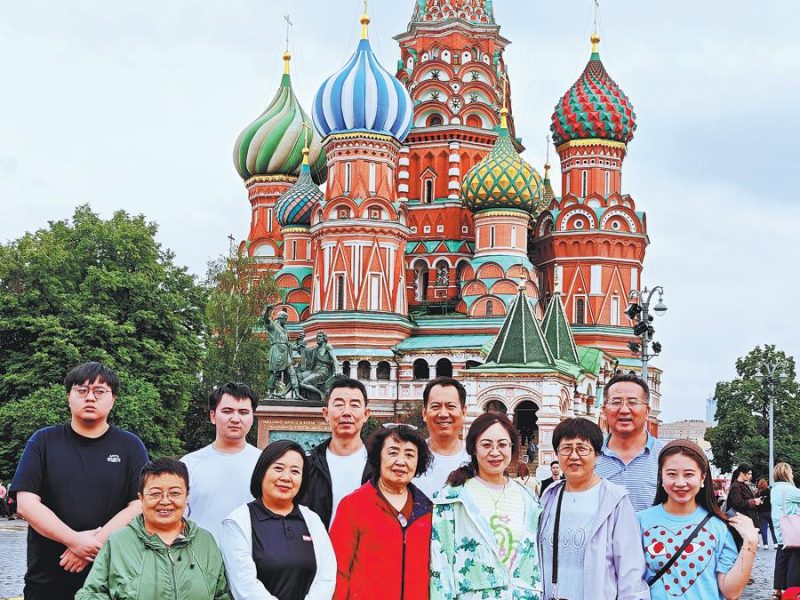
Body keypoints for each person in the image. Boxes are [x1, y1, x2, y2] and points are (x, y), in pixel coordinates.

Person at [10, 362, 149, 600]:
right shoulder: (43, 441)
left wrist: (91, 545)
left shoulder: (130, 446)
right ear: (69, 397)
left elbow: (140, 505)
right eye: (82, 390)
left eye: (99, 391)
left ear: (113, 399)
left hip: (112, 580)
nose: (90, 398)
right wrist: (73, 540)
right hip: (47, 580)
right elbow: (26, 504)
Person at [76, 458, 231, 599]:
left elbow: (221, 594)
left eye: (175, 493)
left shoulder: (206, 541)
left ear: (187, 496)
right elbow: (90, 594)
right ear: (141, 498)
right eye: (155, 494)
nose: (165, 501)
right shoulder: (119, 542)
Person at [430, 412, 543, 599]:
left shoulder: (529, 499)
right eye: (486, 445)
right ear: (474, 448)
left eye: (502, 445)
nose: (495, 452)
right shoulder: (452, 498)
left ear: (512, 447)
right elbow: (440, 564)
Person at [539, 418, 649, 600]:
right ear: (557, 454)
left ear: (597, 454)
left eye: (582, 448)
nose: (574, 456)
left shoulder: (615, 501)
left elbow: (631, 571)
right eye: (566, 448)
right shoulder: (549, 498)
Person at [638, 439, 759, 600]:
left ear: (702, 478)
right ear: (661, 476)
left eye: (689, 474)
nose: (680, 482)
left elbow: (731, 592)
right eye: (671, 474)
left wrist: (750, 544)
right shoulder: (639, 522)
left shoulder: (719, 527)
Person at [221, 440, 335, 600]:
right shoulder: (238, 521)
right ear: (262, 472)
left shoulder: (311, 519)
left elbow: (326, 576)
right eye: (278, 468)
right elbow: (245, 586)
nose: (286, 478)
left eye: (295, 471)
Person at [330, 424, 433, 600]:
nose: (401, 461)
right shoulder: (353, 505)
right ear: (379, 456)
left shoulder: (427, 509)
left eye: (409, 455)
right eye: (393, 452)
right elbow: (337, 570)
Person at [181, 382, 262, 543]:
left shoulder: (265, 464)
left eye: (244, 412)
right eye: (227, 411)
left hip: (250, 560)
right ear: (213, 416)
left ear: (252, 417)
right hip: (199, 561)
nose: (235, 419)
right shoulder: (189, 465)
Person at [300, 378, 373, 529]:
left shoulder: (380, 465)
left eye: (354, 405)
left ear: (366, 414)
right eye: (339, 405)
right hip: (317, 550)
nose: (346, 412)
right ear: (326, 413)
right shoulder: (307, 465)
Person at [595, 373, 665, 511]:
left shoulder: (666, 456)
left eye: (632, 402)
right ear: (604, 410)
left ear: (647, 411)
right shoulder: (591, 455)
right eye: (616, 402)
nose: (624, 410)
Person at [413, 377, 469, 499]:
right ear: (424, 413)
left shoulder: (475, 460)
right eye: (435, 406)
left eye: (450, 406)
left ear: (464, 412)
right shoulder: (410, 458)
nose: (443, 414)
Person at [771, 462, 800, 594]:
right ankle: (792, 591)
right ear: (786, 473)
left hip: (781, 529)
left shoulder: (775, 489)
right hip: (793, 530)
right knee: (795, 562)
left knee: (782, 558)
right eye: (791, 472)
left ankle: (777, 590)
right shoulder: (789, 490)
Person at [727, 463, 761, 527]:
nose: (751, 476)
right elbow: (737, 503)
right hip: (742, 522)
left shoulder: (744, 485)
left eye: (751, 474)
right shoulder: (736, 486)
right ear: (741, 473)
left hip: (747, 520)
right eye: (749, 474)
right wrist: (754, 501)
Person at [757, 478, 778, 549]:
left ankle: (765, 544)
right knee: (772, 528)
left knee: (763, 529)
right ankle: (775, 543)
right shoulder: (770, 491)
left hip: (761, 513)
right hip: (770, 512)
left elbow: (756, 504)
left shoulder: (757, 493)